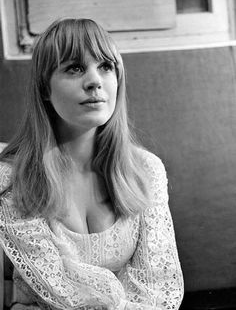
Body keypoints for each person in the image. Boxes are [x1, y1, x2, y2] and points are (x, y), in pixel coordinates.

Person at [0, 18, 184, 309]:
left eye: (106, 67)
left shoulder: (146, 170)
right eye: (74, 68)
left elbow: (158, 289)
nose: (95, 81)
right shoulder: (12, 178)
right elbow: (62, 291)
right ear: (44, 88)